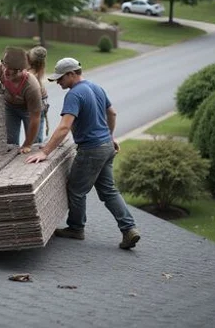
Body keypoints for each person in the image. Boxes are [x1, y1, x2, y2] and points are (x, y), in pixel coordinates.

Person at [25, 57, 140, 250]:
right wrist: (110, 136)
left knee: (76, 189)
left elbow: (64, 128)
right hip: (106, 147)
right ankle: (129, 229)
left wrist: (45, 152)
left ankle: (76, 228)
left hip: (91, 149)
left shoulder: (74, 94)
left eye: (60, 78)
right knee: (109, 191)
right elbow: (112, 113)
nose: (58, 82)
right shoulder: (96, 87)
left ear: (71, 74)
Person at [0, 47, 42, 153]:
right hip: (10, 106)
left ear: (21, 71)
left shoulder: (31, 86)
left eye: (11, 69)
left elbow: (35, 118)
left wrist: (27, 144)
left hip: (29, 109)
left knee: (34, 144)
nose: (5, 71)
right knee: (10, 142)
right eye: (5, 66)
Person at [27, 46, 49, 143]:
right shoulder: (36, 72)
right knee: (36, 138)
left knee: (35, 138)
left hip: (37, 103)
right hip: (39, 103)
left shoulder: (31, 73)